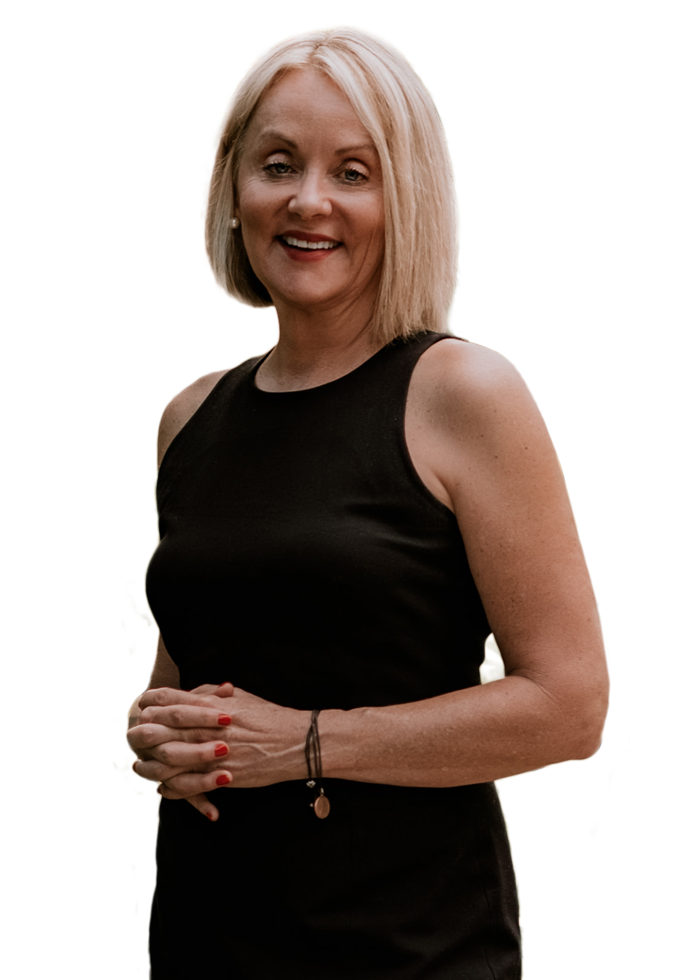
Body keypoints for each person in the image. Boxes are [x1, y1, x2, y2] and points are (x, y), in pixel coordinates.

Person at [127, 27, 610, 980]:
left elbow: (568, 707)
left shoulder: (461, 393)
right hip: (202, 943)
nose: (308, 200)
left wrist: (303, 744)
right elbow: (197, 679)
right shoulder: (192, 418)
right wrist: (160, 734)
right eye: (278, 164)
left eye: (353, 172)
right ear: (233, 189)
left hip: (408, 952)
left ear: (407, 198)